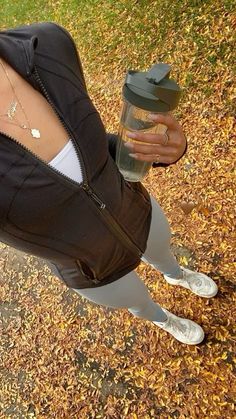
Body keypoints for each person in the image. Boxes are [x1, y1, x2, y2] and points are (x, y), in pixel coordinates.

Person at [0, 22, 218, 346]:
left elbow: (89, 151)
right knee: (138, 302)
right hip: (93, 270)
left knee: (164, 252)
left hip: (135, 208)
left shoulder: (46, 45)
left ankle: (176, 275)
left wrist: (155, 151)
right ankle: (166, 320)